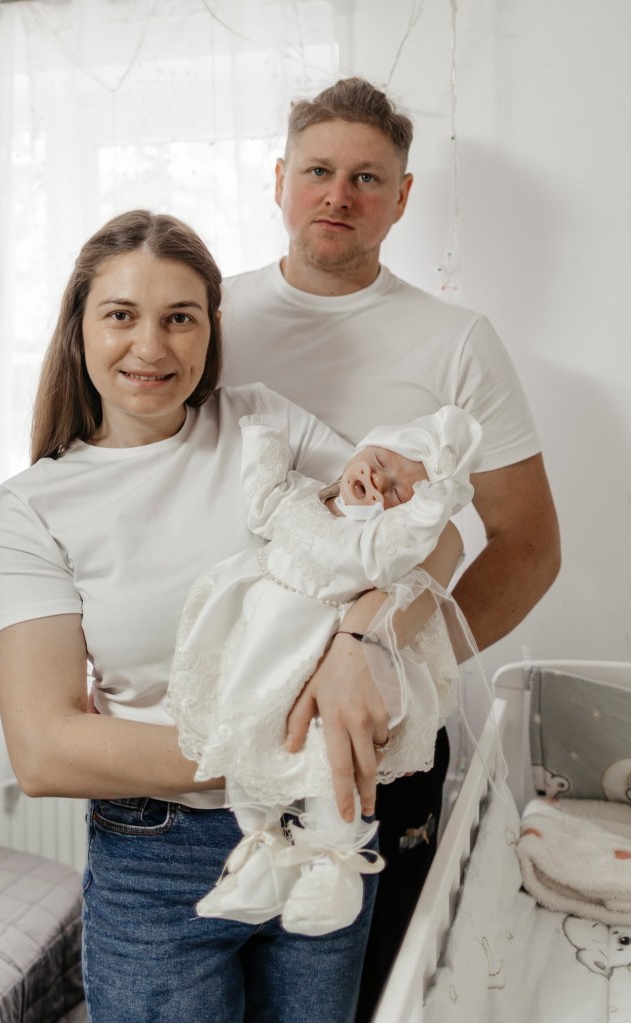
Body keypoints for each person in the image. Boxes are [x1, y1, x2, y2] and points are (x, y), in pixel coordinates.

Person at [0, 209, 463, 1023]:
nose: (151, 346)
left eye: (180, 317)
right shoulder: (37, 506)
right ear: (78, 327)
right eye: (121, 315)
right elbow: (45, 750)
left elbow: (436, 541)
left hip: (323, 837)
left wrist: (358, 643)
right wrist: (287, 748)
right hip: (159, 857)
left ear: (211, 327)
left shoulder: (261, 424)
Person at [220, 77, 561, 1015]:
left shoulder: (457, 343)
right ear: (278, 180)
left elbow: (528, 545)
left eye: (367, 178)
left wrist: (396, 664)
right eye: (318, 171)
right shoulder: (208, 318)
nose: (339, 195)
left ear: (403, 197)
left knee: (363, 996)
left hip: (382, 758)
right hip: (225, 729)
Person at [167, 405, 482, 939]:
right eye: (377, 461)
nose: (378, 481)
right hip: (260, 652)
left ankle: (334, 863)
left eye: (398, 489)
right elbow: (263, 501)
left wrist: (431, 501)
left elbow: (412, 543)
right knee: (243, 738)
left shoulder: (374, 541)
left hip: (314, 660)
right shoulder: (303, 497)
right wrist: (265, 436)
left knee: (325, 756)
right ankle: (263, 849)